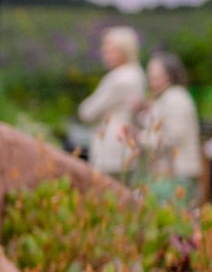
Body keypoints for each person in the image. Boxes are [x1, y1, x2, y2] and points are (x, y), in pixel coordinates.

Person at [132, 51, 202, 205]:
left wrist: (139, 137)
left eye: (155, 75)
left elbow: (172, 137)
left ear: (169, 76)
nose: (150, 79)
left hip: (177, 173)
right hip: (167, 173)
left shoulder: (176, 98)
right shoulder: (166, 97)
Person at [79, 26, 146, 177]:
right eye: (104, 50)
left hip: (111, 148)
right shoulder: (138, 74)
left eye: (111, 50)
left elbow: (87, 112)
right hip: (128, 146)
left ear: (125, 51)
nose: (105, 54)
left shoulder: (118, 78)